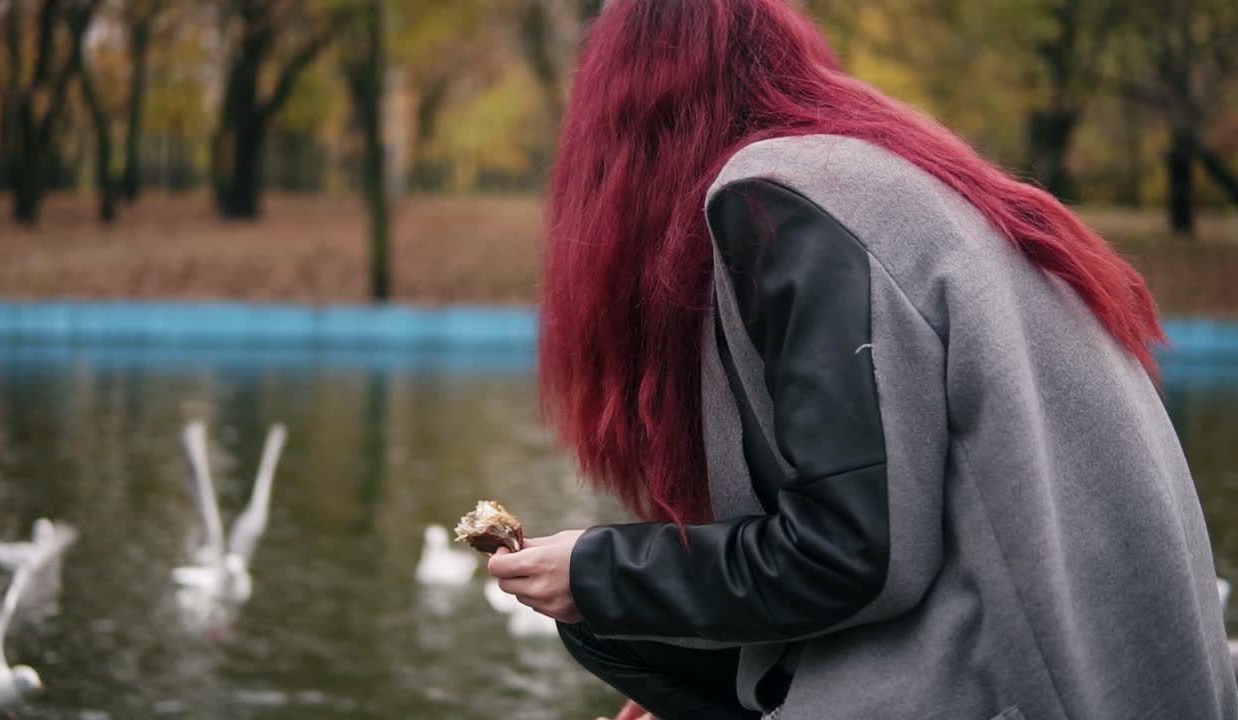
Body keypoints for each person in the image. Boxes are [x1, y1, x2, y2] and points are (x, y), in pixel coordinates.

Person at [486, 1, 1238, 718]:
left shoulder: (779, 196)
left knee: (600, 602)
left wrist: (598, 569)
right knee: (610, 625)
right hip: (1107, 672)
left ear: (626, 121)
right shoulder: (880, 178)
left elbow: (852, 555)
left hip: (1036, 690)